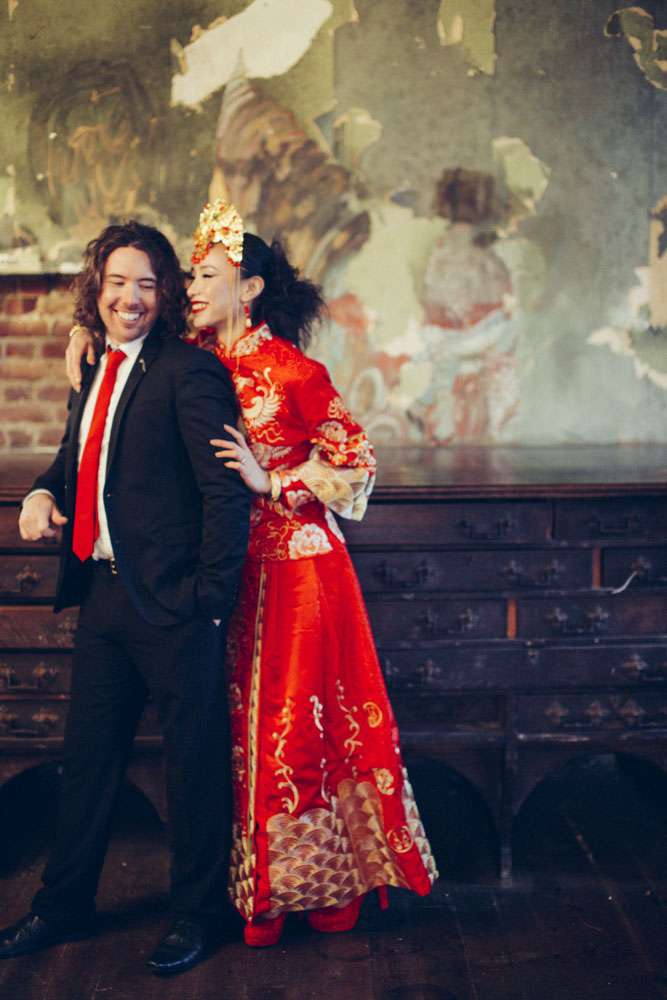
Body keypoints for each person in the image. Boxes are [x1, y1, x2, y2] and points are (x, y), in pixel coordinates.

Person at [65, 200, 439, 948]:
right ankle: (248, 889)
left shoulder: (294, 371)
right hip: (219, 573)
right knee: (231, 735)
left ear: (251, 288)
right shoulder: (187, 352)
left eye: (206, 276)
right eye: (190, 276)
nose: (190, 288)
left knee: (293, 731)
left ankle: (313, 889)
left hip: (295, 572)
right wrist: (83, 333)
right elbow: (123, 338)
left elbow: (356, 464)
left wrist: (274, 482)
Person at [0, 221, 251, 976]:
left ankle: (198, 915)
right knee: (88, 760)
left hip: (177, 606)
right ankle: (63, 906)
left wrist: (209, 600)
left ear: (165, 293)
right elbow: (74, 460)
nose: (130, 297)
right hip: (104, 597)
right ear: (98, 290)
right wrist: (43, 492)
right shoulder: (95, 366)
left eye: (145, 283)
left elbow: (226, 493)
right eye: (117, 282)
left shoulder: (189, 372)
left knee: (193, 767)